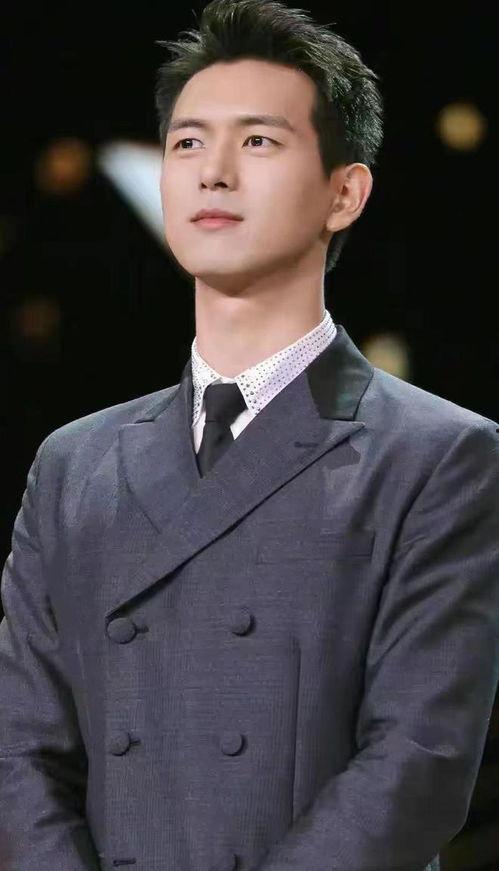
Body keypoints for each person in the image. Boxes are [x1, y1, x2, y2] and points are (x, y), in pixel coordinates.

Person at [1, 1, 498, 869]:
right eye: (188, 143)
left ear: (343, 192)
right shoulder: (74, 463)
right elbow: (21, 749)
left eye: (258, 141)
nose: (213, 173)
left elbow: (418, 758)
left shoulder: (438, 454)